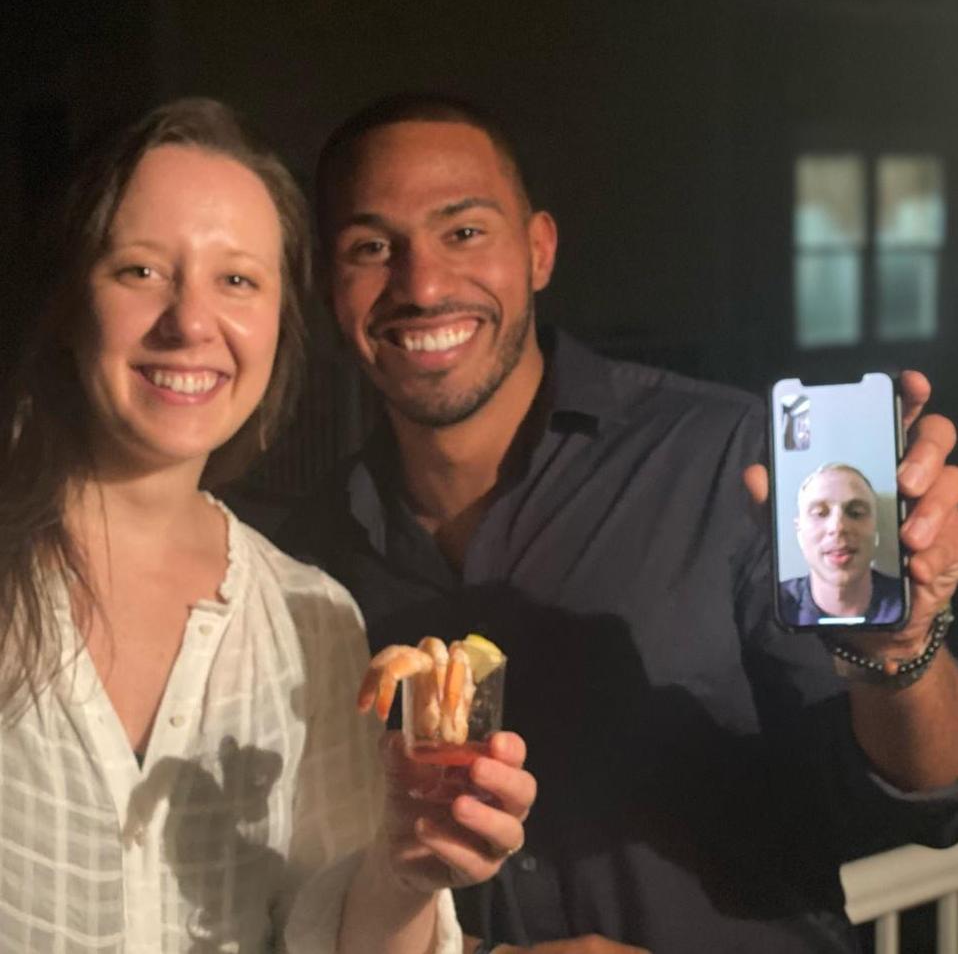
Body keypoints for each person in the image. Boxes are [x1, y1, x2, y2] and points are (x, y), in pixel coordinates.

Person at [274, 93, 958, 954]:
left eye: (464, 231)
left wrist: (899, 653)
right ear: (329, 288)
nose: (422, 284)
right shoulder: (305, 558)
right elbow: (316, 876)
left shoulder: (721, 457)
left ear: (539, 250)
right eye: (371, 247)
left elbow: (918, 794)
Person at [0, 97, 536, 954]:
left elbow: (330, 937)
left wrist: (402, 870)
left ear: (282, 324)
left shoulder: (309, 619)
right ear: (69, 298)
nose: (191, 322)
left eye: (238, 280)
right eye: (140, 270)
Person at [779, 463, 904, 626]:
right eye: (820, 513)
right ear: (799, 531)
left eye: (856, 513)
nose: (838, 527)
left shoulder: (908, 602)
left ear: (876, 526)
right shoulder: (772, 605)